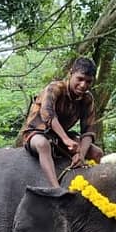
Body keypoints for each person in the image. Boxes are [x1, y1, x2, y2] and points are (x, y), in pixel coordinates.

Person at [17, 56, 103, 187]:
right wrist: (66, 140)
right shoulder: (54, 88)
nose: (83, 85)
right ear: (71, 74)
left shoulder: (87, 99)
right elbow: (48, 115)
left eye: (88, 82)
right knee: (42, 144)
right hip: (37, 132)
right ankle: (56, 188)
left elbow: (88, 131)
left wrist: (81, 154)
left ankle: (97, 187)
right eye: (79, 79)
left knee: (97, 152)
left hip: (62, 138)